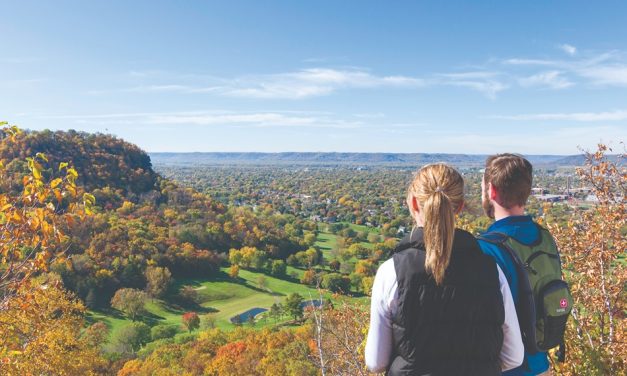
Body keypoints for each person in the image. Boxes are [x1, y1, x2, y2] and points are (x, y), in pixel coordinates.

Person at [365, 163, 523, 375]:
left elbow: (376, 362)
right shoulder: (491, 271)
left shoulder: (392, 272)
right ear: (459, 207)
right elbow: (514, 356)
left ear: (413, 203)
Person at [478, 154, 552, 375]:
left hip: (506, 367)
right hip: (541, 362)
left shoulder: (486, 248)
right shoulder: (544, 237)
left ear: (491, 190)